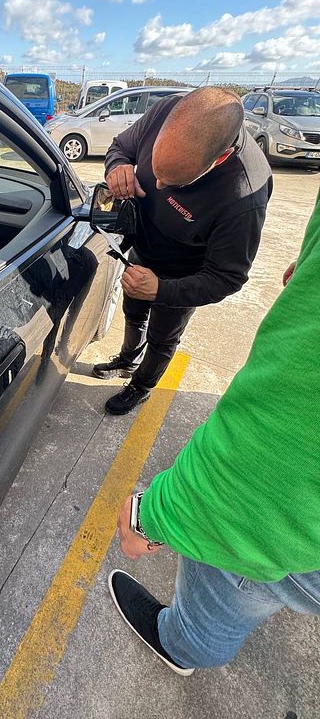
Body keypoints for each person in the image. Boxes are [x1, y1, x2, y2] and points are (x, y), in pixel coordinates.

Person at [109, 192, 320, 674]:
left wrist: (159, 513)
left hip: (289, 518)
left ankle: (181, 648)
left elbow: (291, 430)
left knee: (233, 580)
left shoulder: (242, 192)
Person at [93, 87, 272, 415]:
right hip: (143, 250)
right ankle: (127, 359)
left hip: (184, 275)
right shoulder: (167, 113)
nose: (156, 187)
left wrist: (161, 289)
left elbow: (227, 277)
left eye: (174, 182)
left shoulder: (243, 196)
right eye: (155, 170)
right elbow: (121, 146)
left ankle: (142, 386)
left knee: (163, 337)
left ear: (218, 160)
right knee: (133, 310)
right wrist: (118, 166)